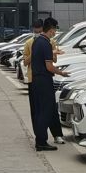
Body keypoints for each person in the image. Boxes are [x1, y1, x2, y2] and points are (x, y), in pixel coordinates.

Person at [27, 17, 64, 152]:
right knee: (46, 110)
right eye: (55, 30)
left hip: (35, 80)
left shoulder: (36, 42)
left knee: (38, 110)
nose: (55, 33)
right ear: (51, 30)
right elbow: (49, 66)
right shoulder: (46, 43)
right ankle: (41, 142)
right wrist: (61, 72)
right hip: (44, 80)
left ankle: (40, 140)